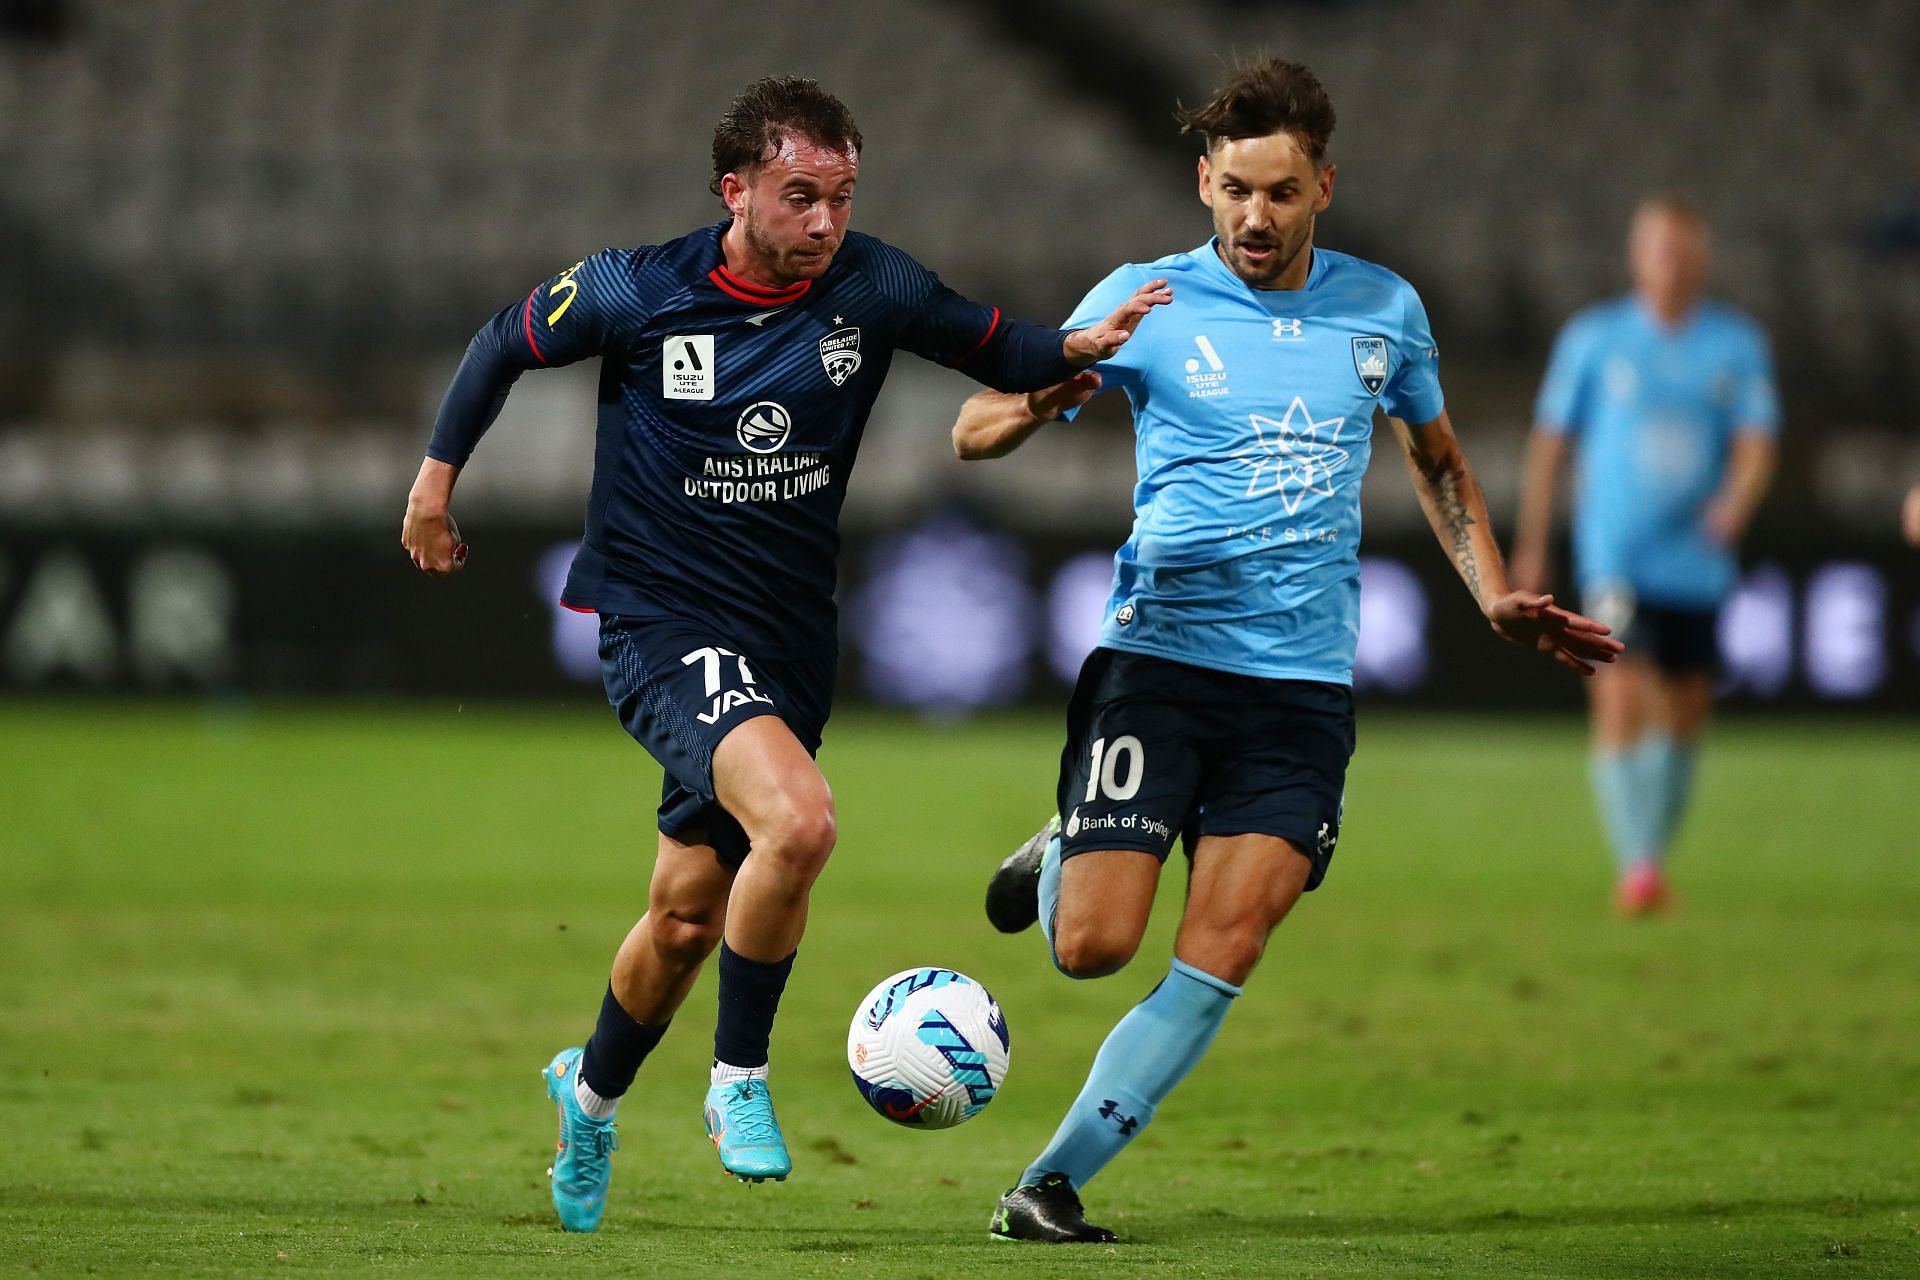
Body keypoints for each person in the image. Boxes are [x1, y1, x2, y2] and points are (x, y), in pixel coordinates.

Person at [399, 76, 1168, 1233]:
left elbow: (995, 345)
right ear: (737, 190)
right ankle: (739, 1080)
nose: (824, 223)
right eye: (800, 197)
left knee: (684, 915)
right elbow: (497, 344)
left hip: (790, 632)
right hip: (661, 618)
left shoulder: (874, 283)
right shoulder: (635, 288)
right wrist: (433, 481)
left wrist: (1078, 347)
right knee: (800, 823)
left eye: (841, 198)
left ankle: (591, 1093)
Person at [951, 59, 1622, 1244]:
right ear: (1203, 183)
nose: (1255, 217)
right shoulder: (1147, 297)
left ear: (1324, 189)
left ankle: (1046, 1185)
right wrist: (1057, 389)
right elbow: (973, 431)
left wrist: (1494, 594)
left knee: (1227, 941)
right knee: (1092, 948)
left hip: (1302, 685)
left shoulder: (1384, 310)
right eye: (1235, 191)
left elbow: (1437, 458)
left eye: (1281, 192)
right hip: (1158, 661)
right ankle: (1068, 843)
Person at [1510, 199, 1779, 915]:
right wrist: (1534, 538)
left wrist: (1734, 505)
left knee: (1686, 709)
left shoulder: (1735, 344)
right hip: (1615, 555)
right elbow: (1551, 443)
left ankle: (1649, 857)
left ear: (1702, 259)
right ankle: (1638, 868)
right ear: (1637, 256)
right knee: (1622, 688)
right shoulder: (1595, 340)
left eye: (1682, 249)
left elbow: (1756, 443)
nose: (1670, 261)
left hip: (1695, 558)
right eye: (1658, 248)